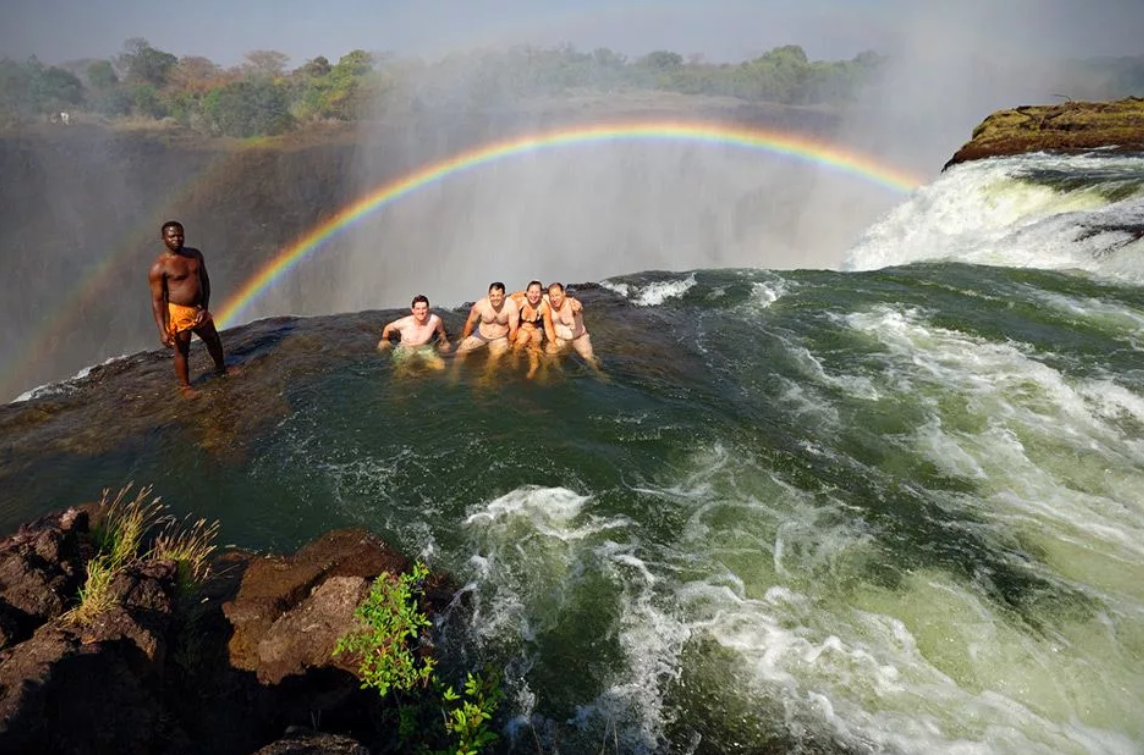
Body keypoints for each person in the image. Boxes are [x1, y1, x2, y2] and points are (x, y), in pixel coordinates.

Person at [148, 220, 228, 394]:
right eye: (172, 236)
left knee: (213, 339)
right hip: (178, 311)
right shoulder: (159, 267)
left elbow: (205, 282)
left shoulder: (195, 255)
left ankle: (221, 368)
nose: (177, 239)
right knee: (182, 350)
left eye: (180, 235)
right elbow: (157, 300)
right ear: (163, 238)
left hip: (198, 308)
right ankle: (185, 386)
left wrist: (205, 308)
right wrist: (162, 331)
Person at [377, 295, 451, 371]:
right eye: (418, 309)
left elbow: (441, 332)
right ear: (413, 310)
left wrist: (444, 341)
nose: (421, 312)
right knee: (401, 372)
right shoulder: (404, 323)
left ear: (428, 309)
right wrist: (384, 340)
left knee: (441, 366)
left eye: (424, 308)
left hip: (424, 348)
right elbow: (388, 327)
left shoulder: (435, 320)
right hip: (405, 349)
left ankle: (421, 369)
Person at [544, 282, 600, 371]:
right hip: (560, 339)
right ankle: (559, 371)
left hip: (578, 337)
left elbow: (579, 308)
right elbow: (533, 293)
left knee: (588, 358)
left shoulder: (572, 303)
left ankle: (601, 375)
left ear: (564, 293)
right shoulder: (548, 300)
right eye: (552, 296)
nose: (554, 299)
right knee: (549, 353)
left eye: (557, 295)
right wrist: (514, 296)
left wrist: (578, 309)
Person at [509, 280, 550, 378]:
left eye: (537, 292)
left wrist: (553, 342)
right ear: (526, 293)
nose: (534, 295)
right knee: (524, 337)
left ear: (541, 294)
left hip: (535, 328)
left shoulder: (544, 305)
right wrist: (510, 340)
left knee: (535, 343)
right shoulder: (519, 301)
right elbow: (511, 320)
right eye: (531, 292)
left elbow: (548, 327)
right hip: (521, 327)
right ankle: (515, 356)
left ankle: (534, 368)